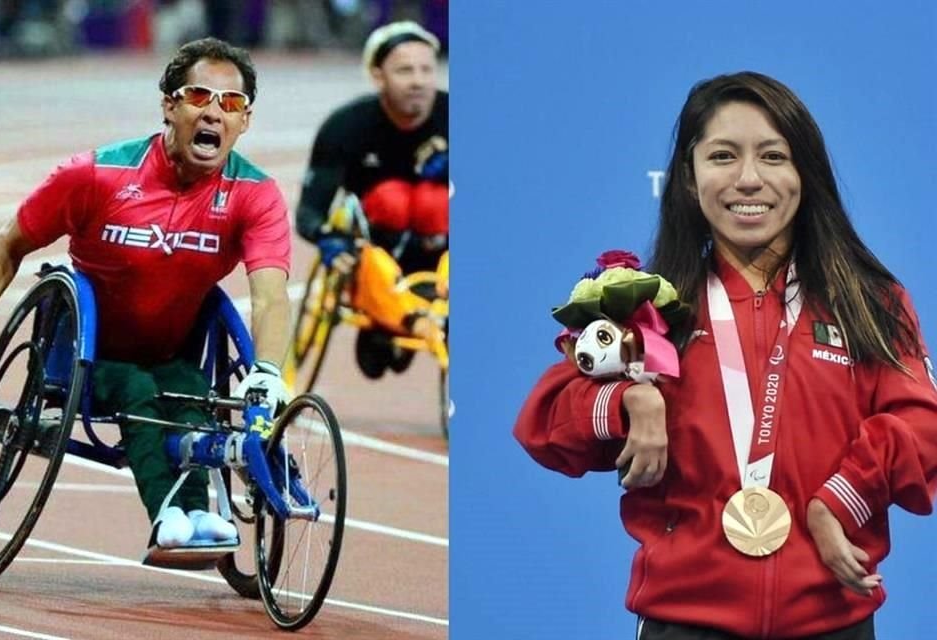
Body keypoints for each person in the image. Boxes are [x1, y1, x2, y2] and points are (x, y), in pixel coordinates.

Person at [513, 71, 937, 639]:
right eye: (722, 156)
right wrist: (627, 399)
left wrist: (842, 500)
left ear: (804, 173)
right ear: (688, 178)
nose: (748, 179)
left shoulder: (868, 299)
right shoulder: (649, 306)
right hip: (685, 622)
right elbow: (543, 421)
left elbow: (923, 424)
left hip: (834, 620)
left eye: (772, 156)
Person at [0, 37, 292, 553]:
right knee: (138, 388)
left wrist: (268, 372)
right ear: (169, 105)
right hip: (81, 354)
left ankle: (198, 513)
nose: (214, 112)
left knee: (189, 390)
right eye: (199, 97)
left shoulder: (255, 194)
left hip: (173, 353)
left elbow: (271, 295)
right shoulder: (95, 174)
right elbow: (5, 248)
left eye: (230, 104)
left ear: (244, 122)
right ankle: (169, 514)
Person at [295, 19, 448, 379]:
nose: (418, 81)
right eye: (405, 70)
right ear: (378, 76)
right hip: (374, 256)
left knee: (434, 200)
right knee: (391, 199)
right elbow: (310, 209)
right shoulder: (347, 126)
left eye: (427, 69)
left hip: (443, 254)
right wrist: (327, 238)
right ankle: (393, 323)